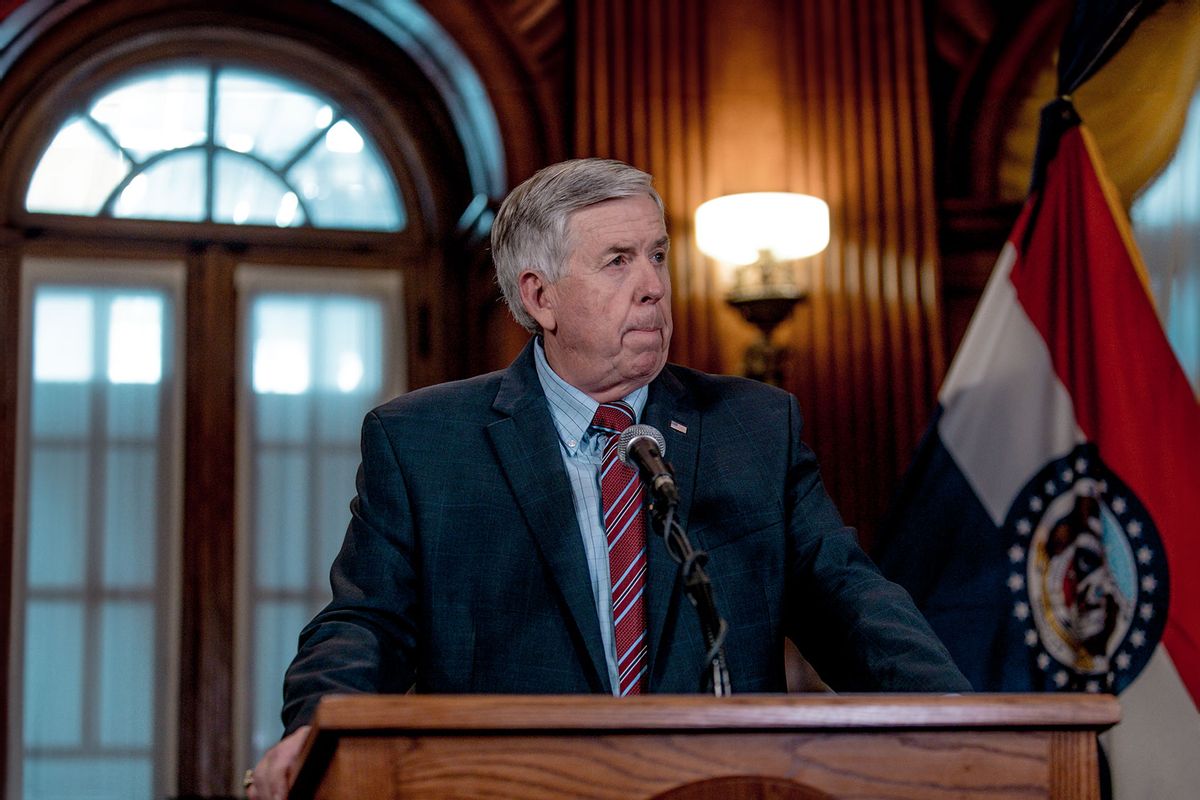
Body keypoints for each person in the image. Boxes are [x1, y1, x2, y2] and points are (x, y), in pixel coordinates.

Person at [244, 158, 970, 799]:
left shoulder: (752, 427)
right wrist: (316, 731)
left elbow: (849, 602)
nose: (654, 286)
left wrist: (963, 724)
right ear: (540, 297)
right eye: (618, 261)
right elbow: (366, 624)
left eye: (658, 254)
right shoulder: (425, 443)